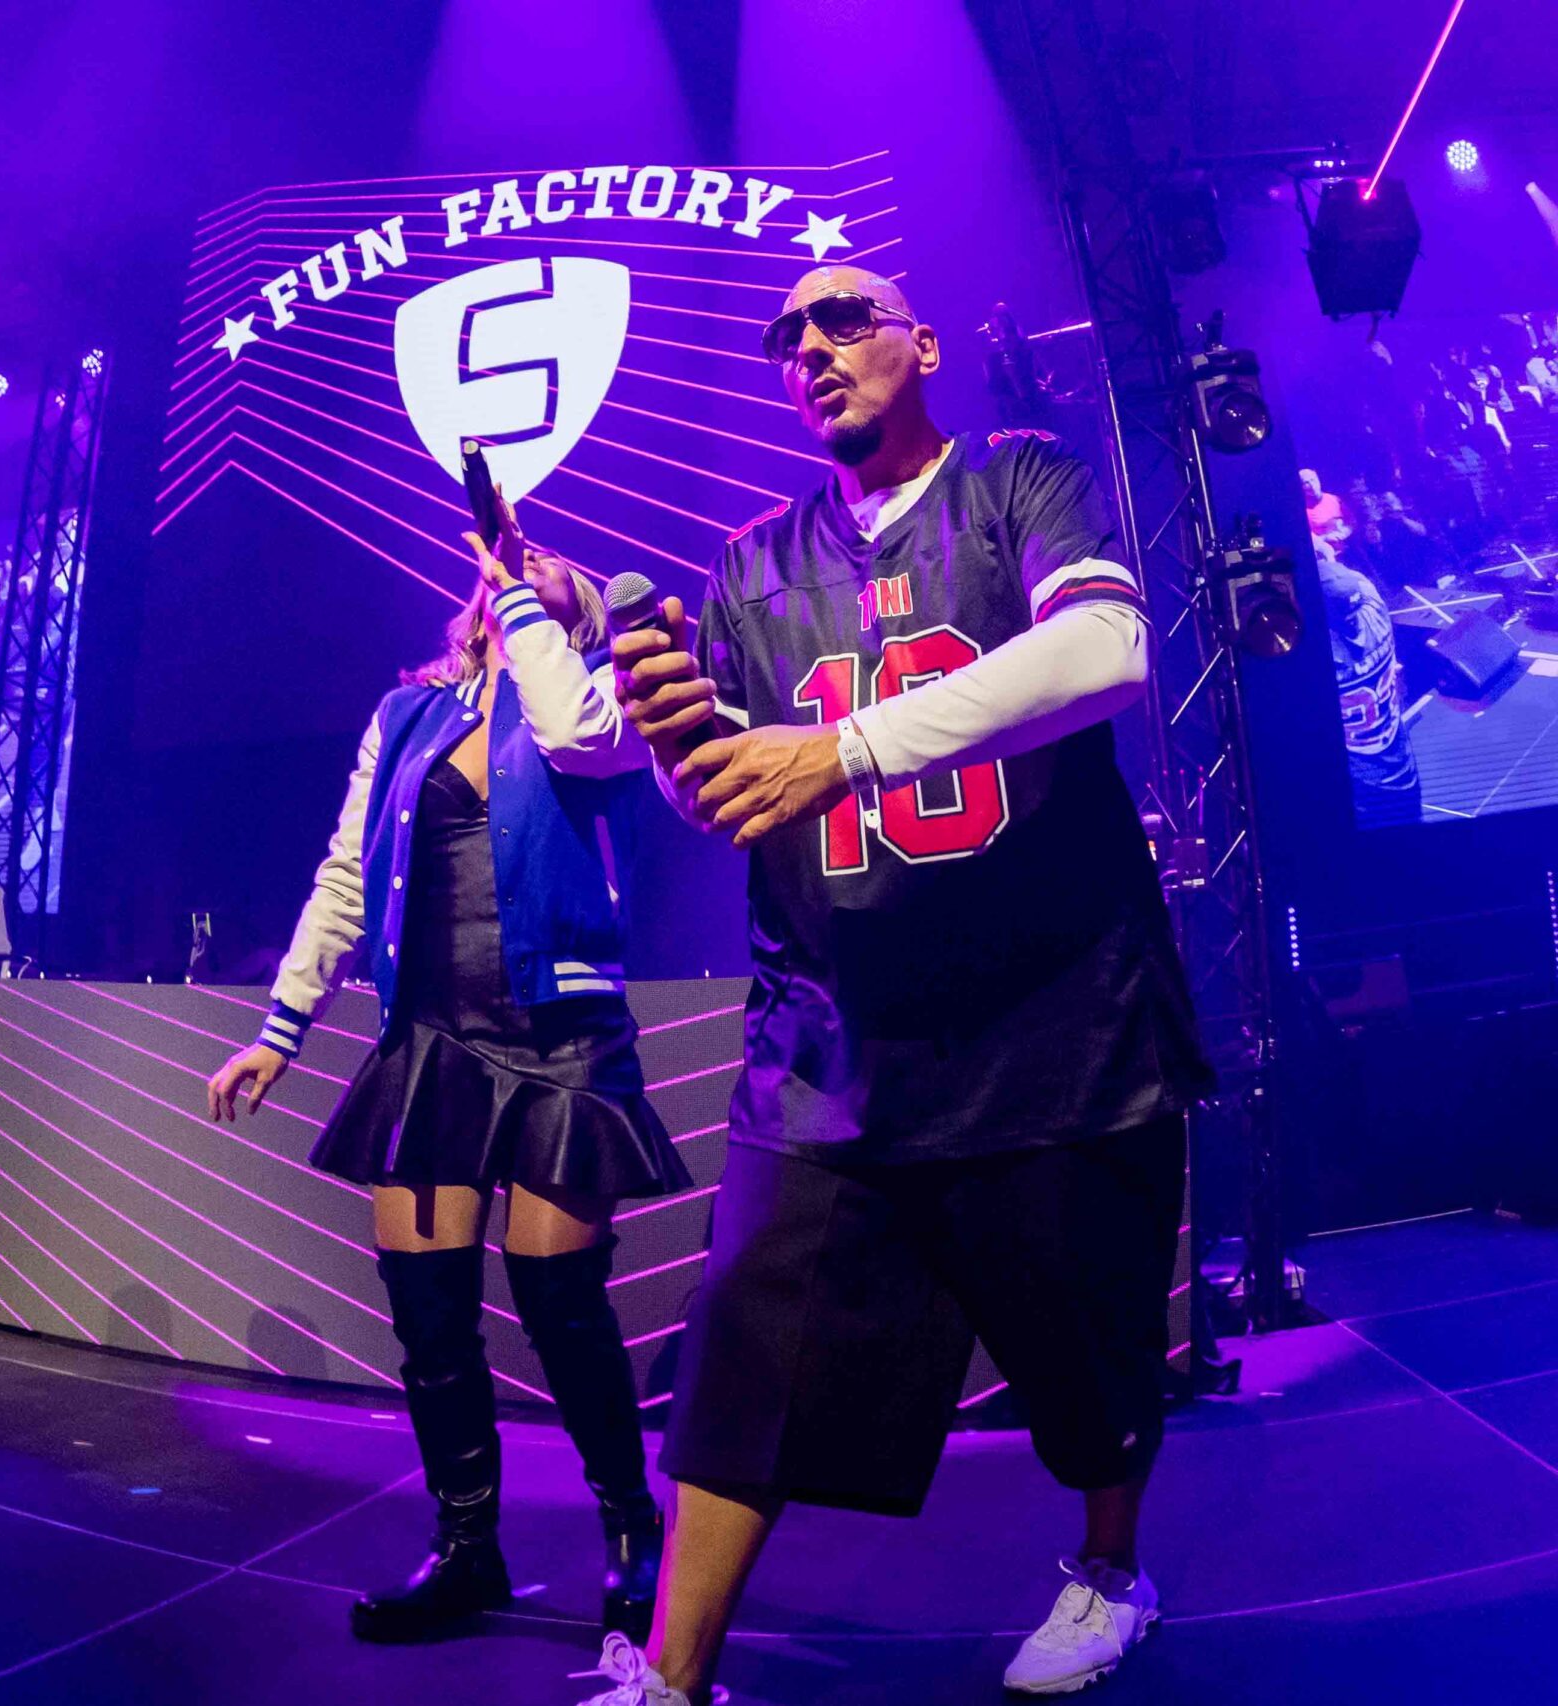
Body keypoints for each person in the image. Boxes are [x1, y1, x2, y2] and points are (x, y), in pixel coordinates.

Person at [578, 266, 1211, 1705]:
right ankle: (672, 1675)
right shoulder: (751, 560)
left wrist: (846, 749)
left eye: (844, 317)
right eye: (786, 335)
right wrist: (682, 753)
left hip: (1049, 1013)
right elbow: (725, 789)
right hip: (835, 1034)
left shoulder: (1018, 480)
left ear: (922, 344)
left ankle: (1111, 1567)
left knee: (1088, 1353)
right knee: (741, 1359)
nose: (809, 345)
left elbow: (1107, 647)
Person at [208, 503, 687, 1644]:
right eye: (509, 566)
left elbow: (573, 736)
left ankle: (631, 1523)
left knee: (559, 1300)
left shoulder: (604, 694)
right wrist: (281, 1027)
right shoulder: (406, 715)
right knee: (428, 1313)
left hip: (561, 1031)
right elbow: (346, 871)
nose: (522, 563)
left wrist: (528, 601)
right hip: (432, 1034)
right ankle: (469, 1546)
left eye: (548, 563)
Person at [1315, 540, 1422, 826]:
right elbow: (1354, 582)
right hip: (1403, 769)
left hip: (1363, 792)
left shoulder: (1325, 658)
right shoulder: (1376, 611)